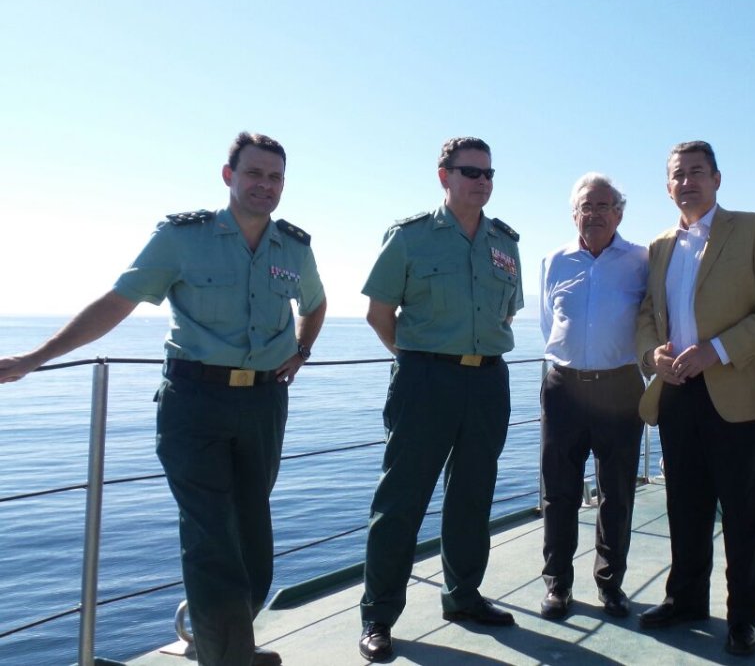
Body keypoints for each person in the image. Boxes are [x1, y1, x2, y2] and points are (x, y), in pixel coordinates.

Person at [0, 132, 327, 666]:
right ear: (229, 176)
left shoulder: (294, 246)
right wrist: (38, 358)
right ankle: (228, 658)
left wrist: (303, 348)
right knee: (210, 539)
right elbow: (117, 302)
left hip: (264, 404)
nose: (264, 185)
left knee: (253, 541)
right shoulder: (182, 238)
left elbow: (315, 302)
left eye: (275, 177)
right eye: (254, 173)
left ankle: (231, 648)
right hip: (194, 402)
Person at [357, 137, 522, 662]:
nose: (481, 181)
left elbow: (506, 314)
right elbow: (380, 314)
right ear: (443, 176)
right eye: (470, 171)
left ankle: (464, 596)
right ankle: (379, 617)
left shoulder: (505, 241)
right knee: (401, 500)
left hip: (488, 381)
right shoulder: (410, 238)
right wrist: (419, 359)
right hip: (425, 380)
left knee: (473, 495)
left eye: (488, 173)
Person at [635, 141, 755, 656]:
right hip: (678, 392)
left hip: (737, 388)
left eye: (698, 173)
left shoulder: (754, 228)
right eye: (679, 175)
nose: (688, 182)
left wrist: (717, 350)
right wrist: (650, 357)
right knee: (685, 505)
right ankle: (685, 599)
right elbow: (644, 315)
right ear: (667, 186)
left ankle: (743, 617)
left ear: (718, 179)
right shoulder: (658, 246)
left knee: (744, 512)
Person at [538, 172, 648, 621]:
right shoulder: (553, 260)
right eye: (586, 206)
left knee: (617, 493)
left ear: (619, 213)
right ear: (573, 214)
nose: (595, 214)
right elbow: (549, 324)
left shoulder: (641, 260)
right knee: (559, 493)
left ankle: (610, 584)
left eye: (604, 206)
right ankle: (558, 585)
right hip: (564, 388)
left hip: (620, 387)